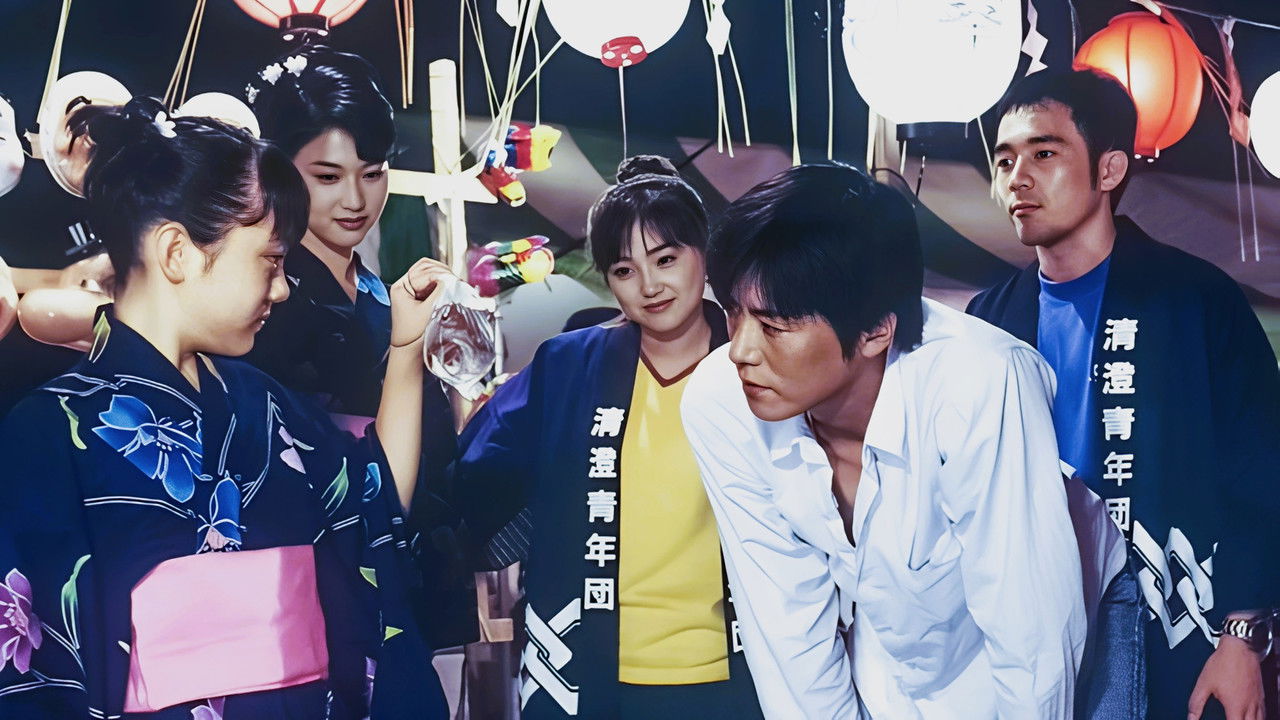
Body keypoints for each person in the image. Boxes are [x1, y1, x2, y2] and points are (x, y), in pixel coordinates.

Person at [0, 97, 451, 719]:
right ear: (177, 253)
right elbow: (35, 676)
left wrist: (405, 349)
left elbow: (372, 512)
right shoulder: (47, 434)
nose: (283, 288)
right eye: (271, 260)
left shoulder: (268, 406)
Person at [681, 163, 1086, 718]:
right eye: (733, 312)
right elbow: (783, 621)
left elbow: (1032, 635)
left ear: (875, 329)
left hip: (1041, 647)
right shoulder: (721, 401)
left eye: (774, 327)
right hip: (889, 652)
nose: (740, 351)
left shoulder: (980, 384)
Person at [968, 68, 1280, 720]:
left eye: (1044, 154)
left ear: (1108, 169)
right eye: (1005, 159)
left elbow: (1259, 468)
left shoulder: (1196, 299)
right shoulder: (987, 319)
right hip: (1032, 612)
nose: (1017, 178)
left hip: (1166, 604)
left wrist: (1243, 635)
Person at [450, 156, 763, 719]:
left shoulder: (757, 361)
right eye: (624, 270)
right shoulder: (567, 367)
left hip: (741, 670)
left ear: (705, 253)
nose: (650, 285)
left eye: (666, 259)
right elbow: (475, 476)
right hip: (585, 669)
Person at [240, 46, 471, 647]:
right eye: (327, 177)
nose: (355, 200)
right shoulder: (264, 304)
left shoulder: (382, 294)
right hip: (325, 582)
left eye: (372, 173)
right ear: (278, 171)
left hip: (414, 570)